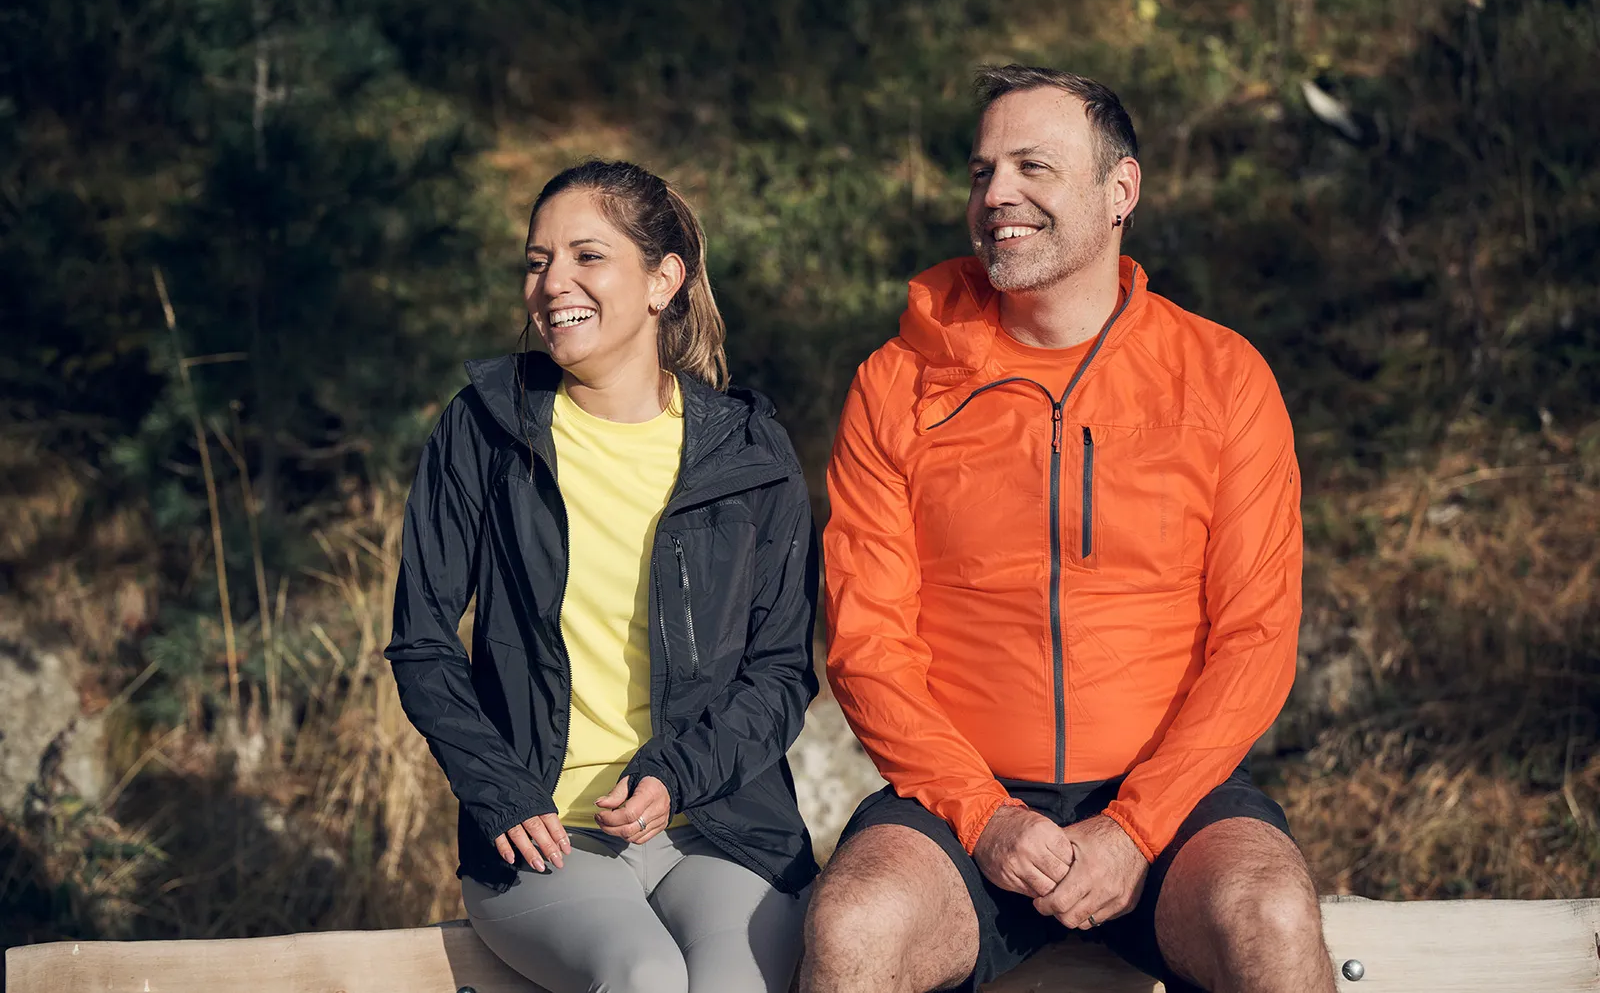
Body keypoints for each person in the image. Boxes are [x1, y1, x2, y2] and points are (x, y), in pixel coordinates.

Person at [804, 66, 1334, 993]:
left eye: (1031, 167)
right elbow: (865, 643)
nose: (996, 194)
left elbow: (1255, 639)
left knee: (1271, 915)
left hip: (1172, 806)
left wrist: (1136, 826)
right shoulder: (898, 384)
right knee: (855, 926)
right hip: (963, 806)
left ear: (1119, 189)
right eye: (981, 172)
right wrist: (983, 817)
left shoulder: (1222, 377)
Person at [385, 160, 820, 993]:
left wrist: (673, 775)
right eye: (537, 260)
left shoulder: (749, 452)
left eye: (587, 257)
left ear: (664, 282)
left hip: (721, 828)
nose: (553, 284)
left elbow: (780, 672)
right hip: (544, 834)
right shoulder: (485, 428)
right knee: (645, 976)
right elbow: (423, 643)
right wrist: (499, 789)